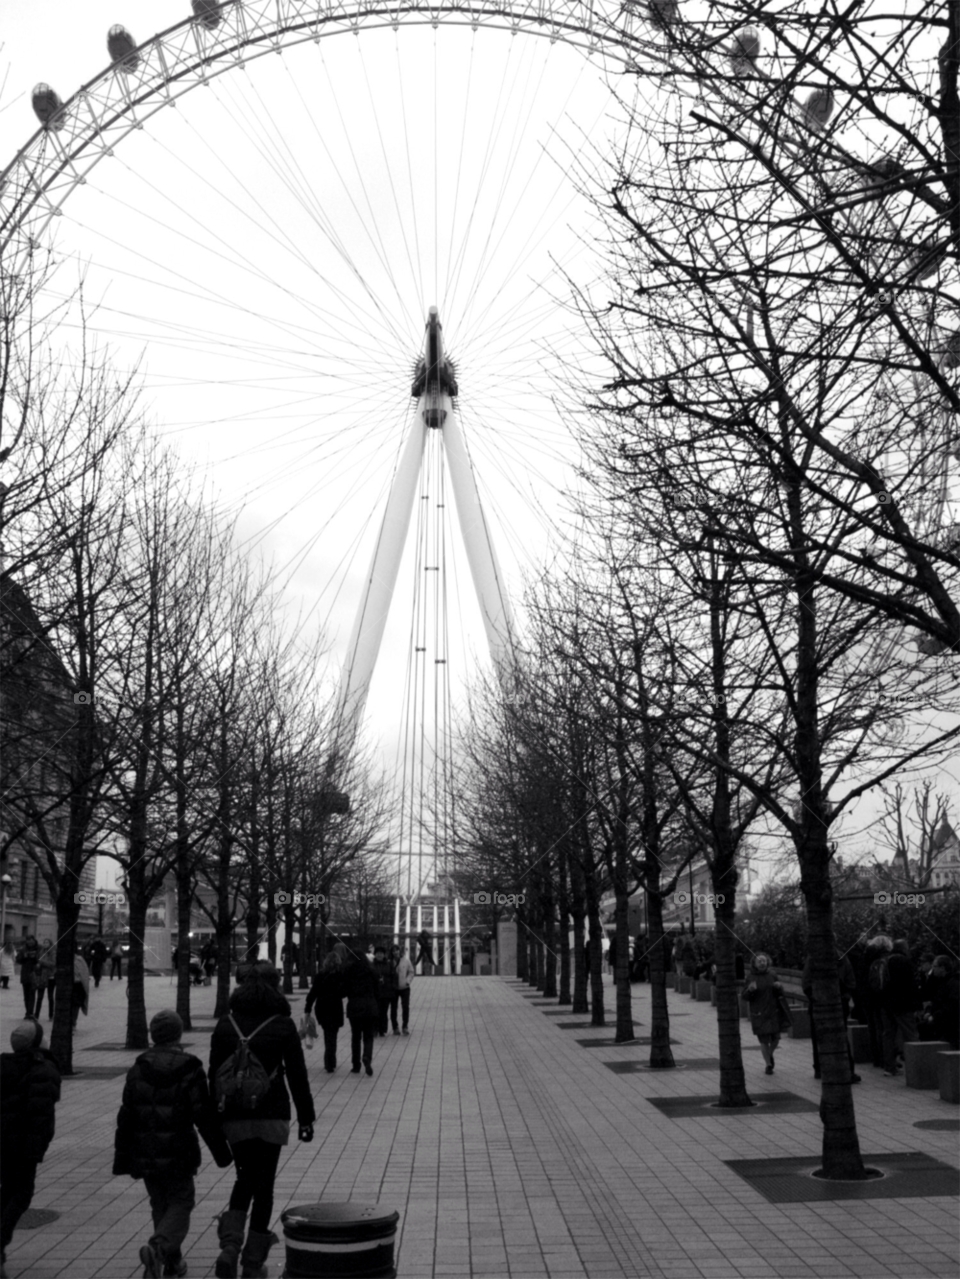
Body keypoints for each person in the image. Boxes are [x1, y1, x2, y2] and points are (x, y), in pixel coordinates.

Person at [209, 962, 315, 1279]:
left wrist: (215, 1119)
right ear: (275, 987)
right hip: (271, 1114)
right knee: (264, 1185)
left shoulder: (226, 1024)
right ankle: (252, 1263)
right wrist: (306, 1118)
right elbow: (297, 1075)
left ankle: (230, 1246)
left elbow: (214, 1075)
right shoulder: (282, 1025)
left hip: (234, 1116)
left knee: (244, 1178)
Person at [113, 1010, 233, 1279]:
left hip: (145, 1151)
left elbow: (126, 1115)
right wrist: (222, 1152)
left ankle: (172, 1262)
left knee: (160, 1204)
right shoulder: (190, 1068)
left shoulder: (138, 1068)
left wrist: (123, 1157)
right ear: (178, 1034)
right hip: (179, 1151)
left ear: (153, 1035)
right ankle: (159, 1249)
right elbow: (203, 1115)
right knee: (181, 1201)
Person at [0, 1018, 61, 1279]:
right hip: (24, 1144)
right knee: (22, 1194)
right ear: (36, 1044)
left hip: (4, 1142)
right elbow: (40, 1116)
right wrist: (36, 1149)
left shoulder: (4, 1064)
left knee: (7, 1191)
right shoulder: (42, 1069)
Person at [802, 951, 861, 1083]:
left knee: (839, 1037)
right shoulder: (815, 957)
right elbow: (806, 983)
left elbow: (850, 980)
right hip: (821, 1004)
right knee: (822, 1038)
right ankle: (821, 1069)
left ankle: (845, 1070)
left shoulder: (840, 957)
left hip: (836, 1003)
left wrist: (845, 997)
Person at [879, 938, 922, 1076]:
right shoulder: (904, 961)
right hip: (903, 1004)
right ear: (904, 948)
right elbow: (911, 984)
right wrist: (917, 1004)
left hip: (886, 1003)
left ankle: (889, 1067)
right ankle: (918, 1069)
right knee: (911, 1034)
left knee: (888, 1035)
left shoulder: (885, 961)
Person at [744, 952, 789, 1074]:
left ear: (768, 962)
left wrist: (779, 987)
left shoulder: (772, 975)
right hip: (759, 1013)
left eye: (764, 961)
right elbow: (745, 996)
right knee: (763, 1040)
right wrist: (750, 991)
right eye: (759, 961)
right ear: (754, 964)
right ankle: (768, 1065)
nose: (762, 963)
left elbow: (780, 993)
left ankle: (769, 1054)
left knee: (776, 1039)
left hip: (773, 1011)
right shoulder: (750, 977)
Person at [304, 945, 346, 1072]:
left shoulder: (320, 975)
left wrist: (307, 1009)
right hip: (335, 1008)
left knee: (328, 1034)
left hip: (322, 1008)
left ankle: (329, 1061)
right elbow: (344, 992)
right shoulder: (340, 976)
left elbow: (313, 993)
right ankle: (330, 1060)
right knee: (333, 1035)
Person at [342, 949, 379, 1076]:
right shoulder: (371, 971)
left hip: (354, 1007)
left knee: (355, 1037)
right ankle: (367, 1056)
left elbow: (344, 991)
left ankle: (356, 1065)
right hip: (370, 1006)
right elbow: (377, 990)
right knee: (368, 1036)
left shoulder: (348, 972)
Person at [922, 955, 960, 1050]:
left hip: (949, 1024)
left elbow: (951, 1005)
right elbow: (934, 1000)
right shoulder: (939, 982)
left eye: (935, 966)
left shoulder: (953, 984)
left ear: (942, 968)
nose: (933, 969)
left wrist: (934, 1016)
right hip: (939, 1020)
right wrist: (929, 1012)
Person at [389, 944, 415, 1035]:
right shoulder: (390, 961)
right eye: (393, 951)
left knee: (405, 1007)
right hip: (394, 988)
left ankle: (405, 1026)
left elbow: (411, 972)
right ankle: (395, 1027)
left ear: (400, 951)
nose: (395, 952)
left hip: (404, 988)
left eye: (397, 950)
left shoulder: (406, 960)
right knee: (393, 1008)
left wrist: (407, 981)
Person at [16, 936, 39, 1017]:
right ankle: (27, 1012)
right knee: (26, 995)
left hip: (34, 973)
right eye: (28, 941)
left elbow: (41, 959)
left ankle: (30, 1012)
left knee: (32, 994)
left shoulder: (38, 948)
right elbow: (18, 960)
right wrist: (24, 956)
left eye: (31, 941)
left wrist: (35, 957)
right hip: (25, 974)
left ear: (34, 941)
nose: (30, 943)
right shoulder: (23, 949)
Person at [372, 945, 392, 1036]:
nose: (379, 955)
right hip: (375, 992)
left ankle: (382, 1029)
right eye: (377, 953)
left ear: (384, 955)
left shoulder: (388, 964)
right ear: (375, 954)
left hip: (386, 991)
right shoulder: (371, 965)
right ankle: (375, 1029)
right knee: (375, 1011)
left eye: (381, 953)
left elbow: (392, 976)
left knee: (384, 1011)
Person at [34, 943, 56, 1021]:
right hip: (42, 976)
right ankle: (36, 1015)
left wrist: (42, 962)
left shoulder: (53, 953)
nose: (45, 944)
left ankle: (51, 1015)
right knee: (39, 997)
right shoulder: (41, 952)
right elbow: (37, 961)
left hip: (51, 976)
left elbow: (53, 964)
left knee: (50, 997)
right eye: (44, 942)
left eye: (47, 942)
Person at [72, 948, 90, 1030]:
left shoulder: (79, 960)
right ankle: (72, 1023)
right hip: (72, 985)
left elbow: (84, 975)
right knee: (73, 1005)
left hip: (78, 986)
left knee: (75, 1005)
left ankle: (73, 1023)